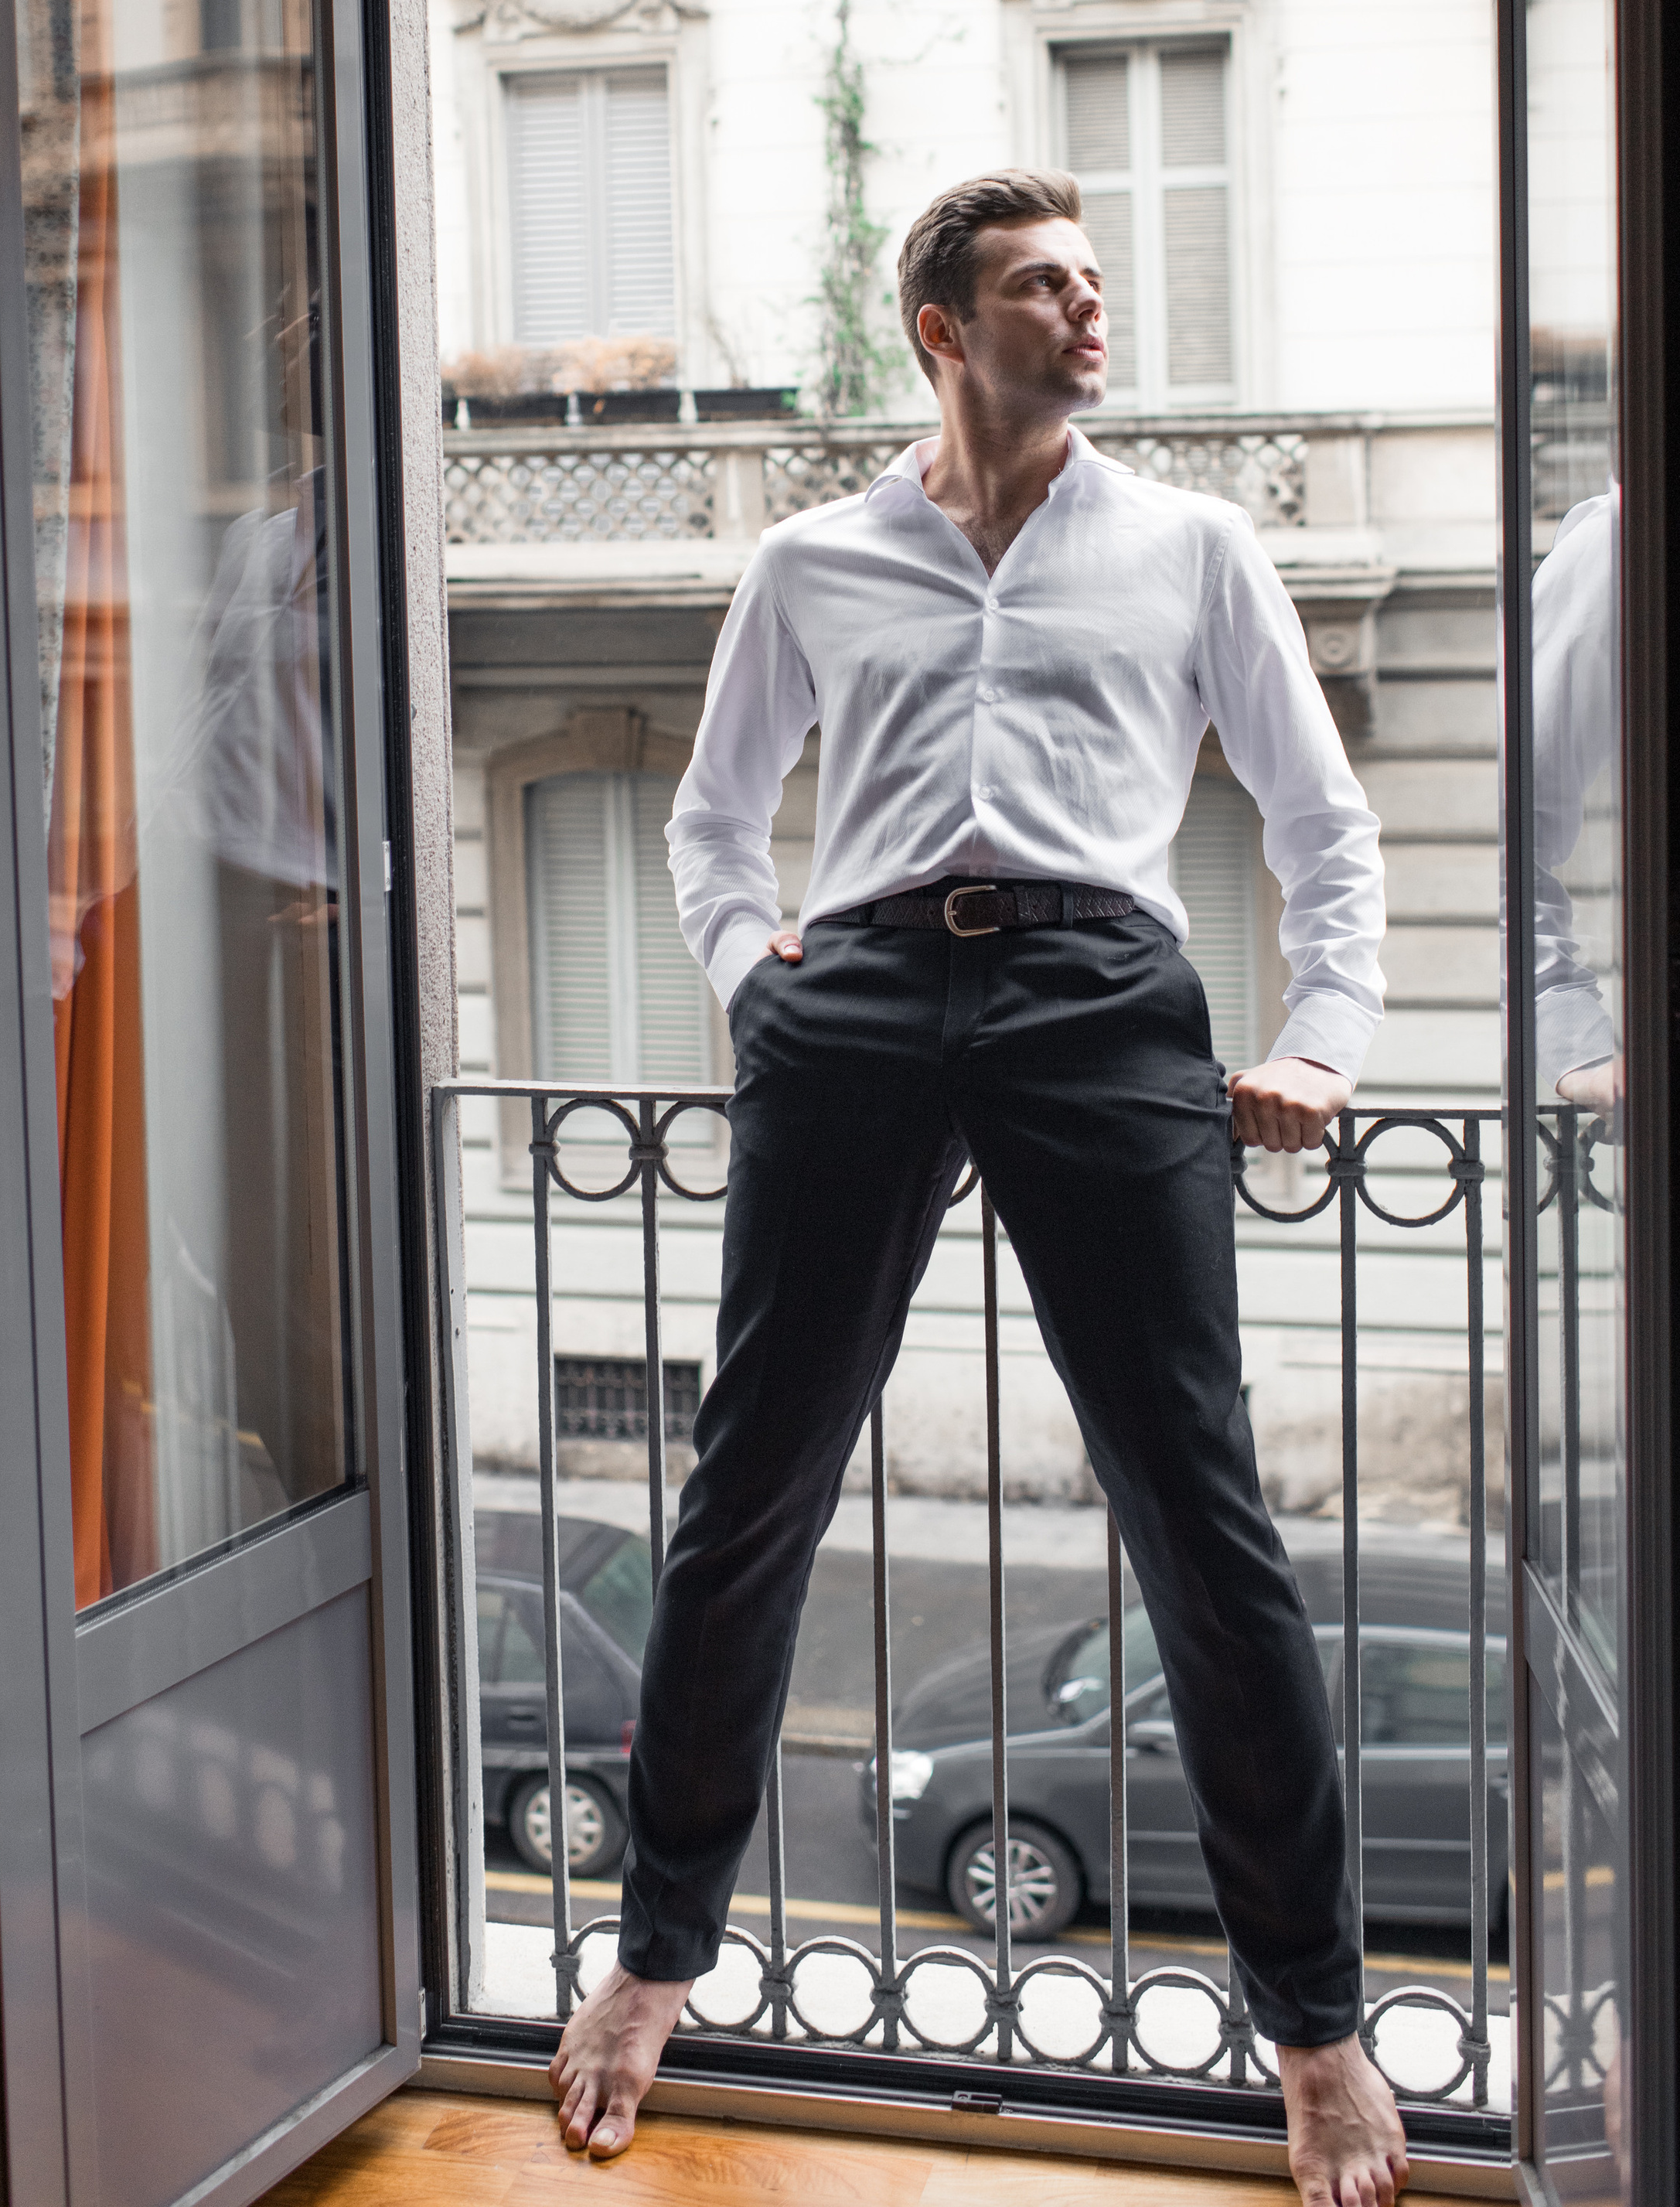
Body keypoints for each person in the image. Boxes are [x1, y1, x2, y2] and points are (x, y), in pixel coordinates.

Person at [550, 169, 1408, 2207]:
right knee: (748, 1485)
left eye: (1096, 282)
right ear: (946, 328)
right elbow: (706, 820)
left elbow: (1324, 826)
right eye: (1044, 285)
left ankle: (1320, 2034)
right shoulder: (814, 560)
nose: (1091, 311)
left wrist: (1322, 1044)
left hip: (1103, 998)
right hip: (850, 1002)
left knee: (1198, 1509)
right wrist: (756, 983)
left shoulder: (1195, 548)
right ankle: (654, 1961)